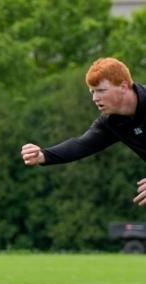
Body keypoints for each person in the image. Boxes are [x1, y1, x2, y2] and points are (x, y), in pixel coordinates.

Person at [21, 57, 146, 207]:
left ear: (123, 86)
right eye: (92, 91)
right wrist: (44, 155)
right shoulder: (111, 122)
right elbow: (83, 144)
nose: (95, 98)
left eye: (101, 91)